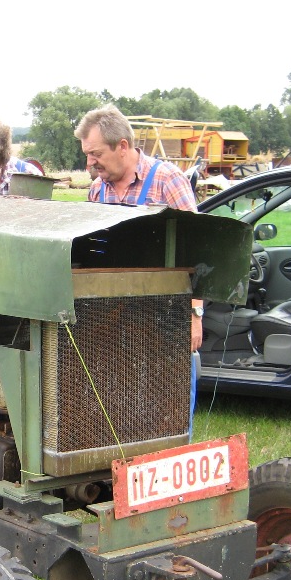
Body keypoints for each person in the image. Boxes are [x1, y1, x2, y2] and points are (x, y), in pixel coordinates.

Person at [74, 104, 203, 436]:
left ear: (122, 146)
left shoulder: (167, 180)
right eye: (87, 155)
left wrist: (194, 314)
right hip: (112, 316)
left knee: (169, 397)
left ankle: (170, 453)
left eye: (95, 153)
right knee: (119, 397)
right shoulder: (97, 191)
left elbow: (197, 250)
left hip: (165, 315)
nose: (90, 163)